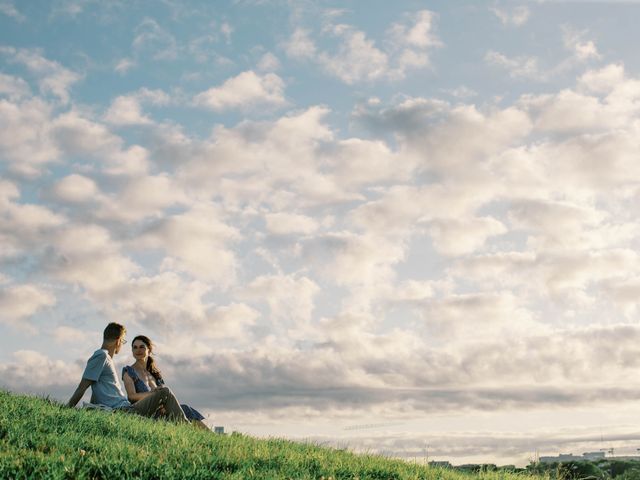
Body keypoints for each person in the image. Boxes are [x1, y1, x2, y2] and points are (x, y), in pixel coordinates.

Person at [67, 322, 188, 424]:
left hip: (127, 408)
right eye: (123, 341)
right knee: (164, 392)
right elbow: (82, 387)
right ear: (118, 341)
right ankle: (186, 426)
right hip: (124, 410)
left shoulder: (106, 359)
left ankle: (184, 425)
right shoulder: (101, 356)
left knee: (166, 403)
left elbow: (96, 391)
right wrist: (67, 409)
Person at [122, 335, 209, 430]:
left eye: (142, 347)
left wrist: (164, 405)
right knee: (165, 391)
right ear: (132, 351)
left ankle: (213, 438)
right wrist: (153, 394)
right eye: (135, 347)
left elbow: (165, 398)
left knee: (186, 409)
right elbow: (131, 397)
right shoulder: (129, 371)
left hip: (159, 412)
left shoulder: (154, 374)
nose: (138, 350)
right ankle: (186, 426)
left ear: (149, 350)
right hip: (142, 410)